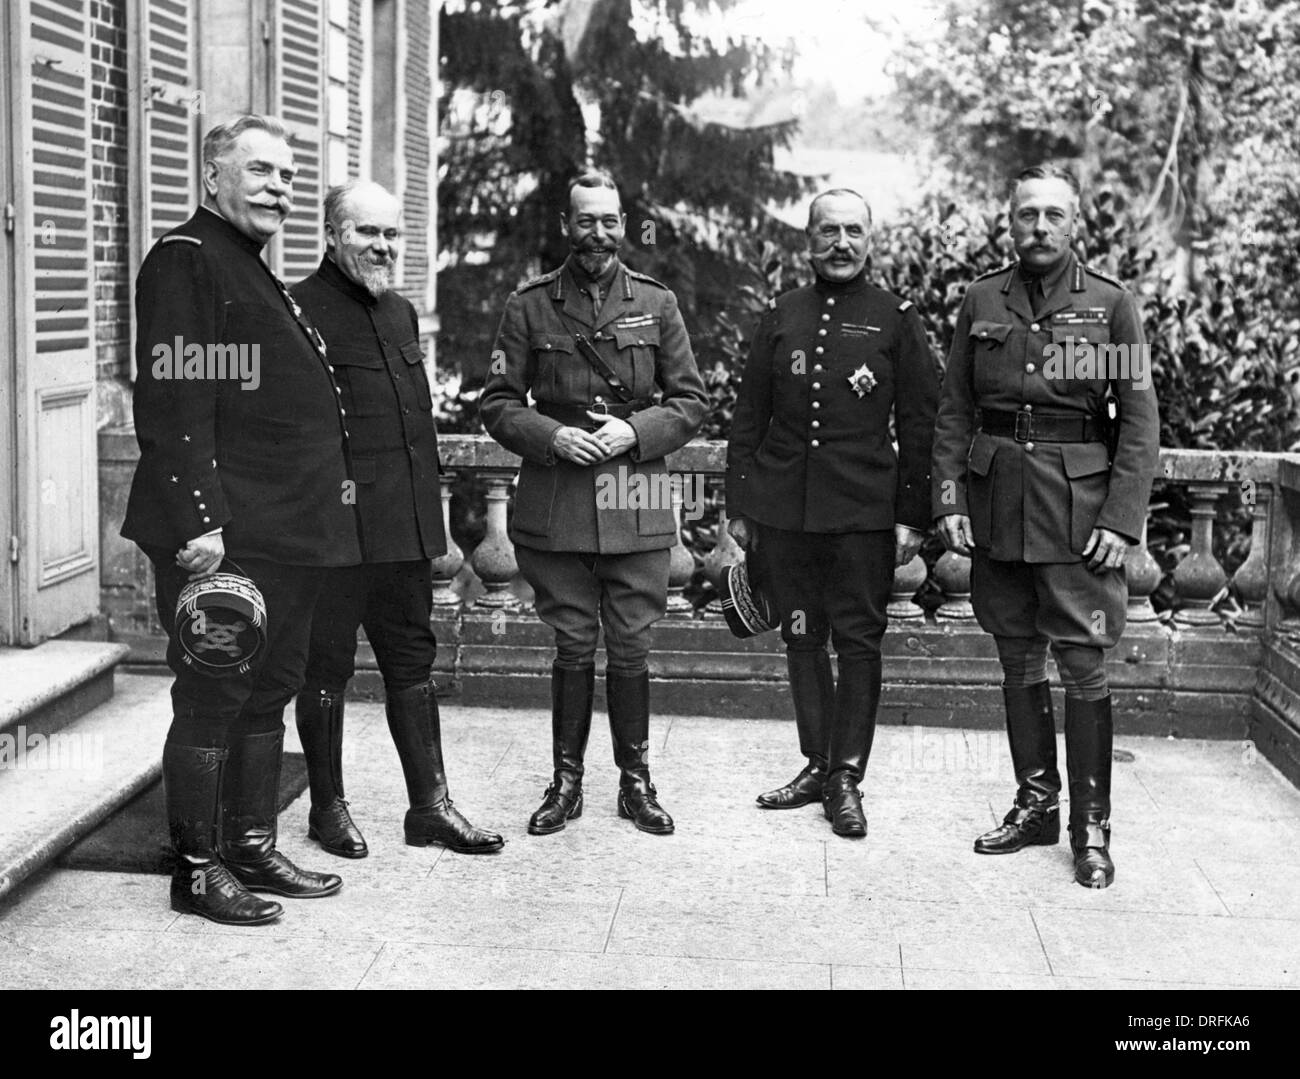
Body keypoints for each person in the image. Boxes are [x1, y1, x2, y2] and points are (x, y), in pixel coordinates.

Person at [121, 115, 359, 925]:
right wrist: (199, 522)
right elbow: (173, 401)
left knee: (271, 690)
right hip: (221, 538)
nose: (278, 188)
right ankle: (195, 867)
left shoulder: (250, 268)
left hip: (283, 535)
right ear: (212, 177)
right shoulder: (187, 260)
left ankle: (250, 845)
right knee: (214, 693)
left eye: (289, 177)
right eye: (258, 170)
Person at [931, 162, 1159, 888]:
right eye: (1027, 214)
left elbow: (1140, 420)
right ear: (1010, 219)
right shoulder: (980, 300)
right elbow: (954, 411)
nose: (1038, 227)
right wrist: (948, 501)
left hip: (1078, 511)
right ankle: (1036, 804)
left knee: (1083, 661)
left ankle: (1091, 825)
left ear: (1074, 223)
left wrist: (1123, 518)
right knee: (1016, 656)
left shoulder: (1109, 305)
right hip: (999, 501)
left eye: (1052, 215)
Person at [480, 170, 708, 836]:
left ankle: (636, 784)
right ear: (566, 224)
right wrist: (551, 436)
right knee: (574, 643)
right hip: (559, 497)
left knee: (632, 645)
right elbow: (495, 403)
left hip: (634, 488)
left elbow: (692, 401)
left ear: (624, 223)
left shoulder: (657, 303)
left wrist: (635, 430)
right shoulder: (528, 305)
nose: (599, 234)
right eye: (586, 221)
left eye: (610, 221)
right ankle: (567, 783)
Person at [291, 180, 503, 857]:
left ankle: (430, 808)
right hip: (336, 536)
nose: (381, 245)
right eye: (365, 233)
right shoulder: (297, 310)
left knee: (413, 665)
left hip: (404, 536)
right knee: (324, 670)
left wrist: (424, 531)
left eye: (390, 234)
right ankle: (328, 810)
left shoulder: (402, 312)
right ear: (331, 234)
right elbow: (291, 437)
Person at [726, 188, 939, 838]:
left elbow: (921, 422)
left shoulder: (895, 318)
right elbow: (748, 416)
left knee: (858, 640)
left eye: (853, 230)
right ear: (807, 239)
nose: (841, 243)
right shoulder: (781, 314)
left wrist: (912, 514)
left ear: (870, 241)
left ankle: (846, 775)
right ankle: (815, 764)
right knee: (799, 633)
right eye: (828, 231)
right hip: (785, 512)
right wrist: (740, 506)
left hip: (861, 514)